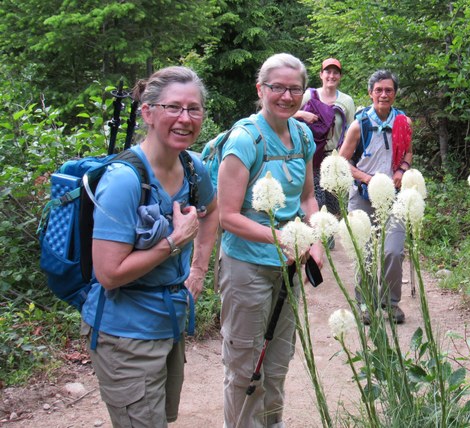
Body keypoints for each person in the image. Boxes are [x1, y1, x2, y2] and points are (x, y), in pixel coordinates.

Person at [80, 66, 219, 427]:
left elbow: (211, 210)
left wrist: (199, 269)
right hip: (124, 334)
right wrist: (174, 242)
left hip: (169, 324)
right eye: (173, 107)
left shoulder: (193, 168)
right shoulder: (124, 181)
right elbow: (109, 274)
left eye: (194, 109)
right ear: (148, 112)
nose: (185, 118)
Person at [218, 53, 324, 427]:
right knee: (246, 366)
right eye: (277, 87)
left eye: (295, 89)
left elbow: (308, 197)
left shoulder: (303, 136)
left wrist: (315, 241)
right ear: (260, 89)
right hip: (247, 267)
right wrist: (280, 238)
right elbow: (227, 215)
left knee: (277, 363)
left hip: (289, 267)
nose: (286, 96)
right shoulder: (244, 140)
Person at [338, 69, 412, 325]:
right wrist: (367, 178)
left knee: (393, 251)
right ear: (370, 93)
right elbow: (342, 161)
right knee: (365, 253)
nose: (383, 94)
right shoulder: (359, 126)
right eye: (378, 90)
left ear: (395, 94)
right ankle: (366, 303)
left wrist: (402, 170)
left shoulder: (404, 122)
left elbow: (408, 153)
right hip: (362, 195)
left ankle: (390, 302)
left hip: (394, 196)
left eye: (388, 90)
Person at [294, 58, 355, 215]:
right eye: (328, 72)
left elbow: (351, 132)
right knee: (314, 205)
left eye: (336, 73)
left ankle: (333, 232)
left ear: (340, 76)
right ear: (321, 74)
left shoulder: (346, 101)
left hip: (335, 158)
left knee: (336, 207)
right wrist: (303, 114)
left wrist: (343, 159)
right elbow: (288, 114)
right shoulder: (309, 95)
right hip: (311, 159)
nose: (331, 76)